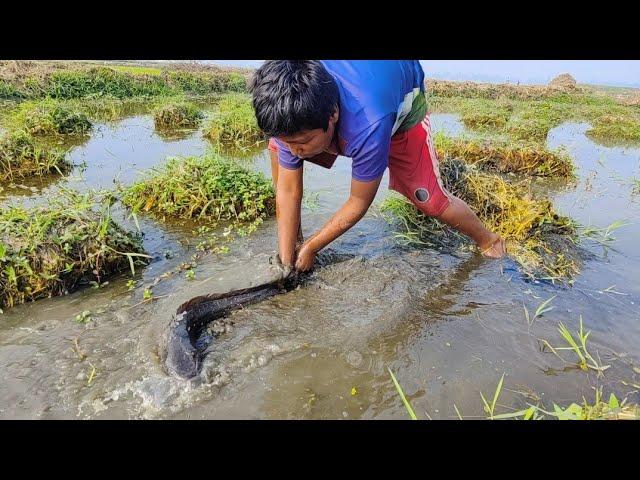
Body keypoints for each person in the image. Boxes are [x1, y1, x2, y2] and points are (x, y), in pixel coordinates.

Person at [249, 60, 506, 272]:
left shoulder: (370, 121)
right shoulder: (293, 111)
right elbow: (288, 191)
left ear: (333, 115)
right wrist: (286, 261)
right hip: (357, 93)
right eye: (288, 141)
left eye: (301, 141)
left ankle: (489, 240)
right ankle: (295, 245)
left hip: (400, 101)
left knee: (428, 198)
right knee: (279, 152)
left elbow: (358, 201)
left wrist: (314, 247)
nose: (294, 150)